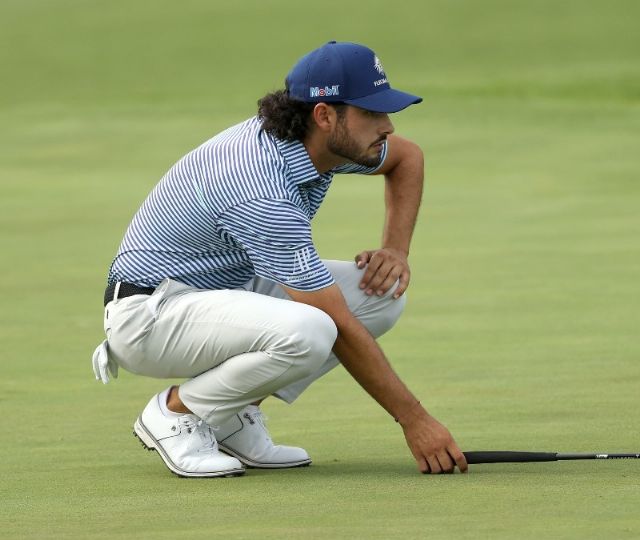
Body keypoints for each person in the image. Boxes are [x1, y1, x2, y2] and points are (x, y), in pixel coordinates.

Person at [91, 41, 468, 478]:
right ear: (324, 115)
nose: (387, 126)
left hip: (221, 292)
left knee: (381, 295)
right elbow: (335, 322)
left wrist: (395, 251)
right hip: (150, 316)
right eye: (371, 113)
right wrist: (415, 420)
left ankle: (230, 417)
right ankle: (177, 412)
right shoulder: (261, 190)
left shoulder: (315, 141)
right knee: (313, 327)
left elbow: (407, 157)